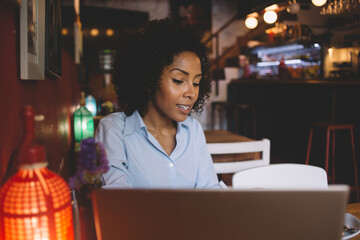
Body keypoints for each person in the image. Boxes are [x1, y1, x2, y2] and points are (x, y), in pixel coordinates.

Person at [95, 18, 225, 188]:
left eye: (196, 83)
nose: (191, 93)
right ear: (149, 79)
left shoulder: (193, 131)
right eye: (179, 80)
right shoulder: (114, 130)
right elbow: (119, 202)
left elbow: (209, 191)